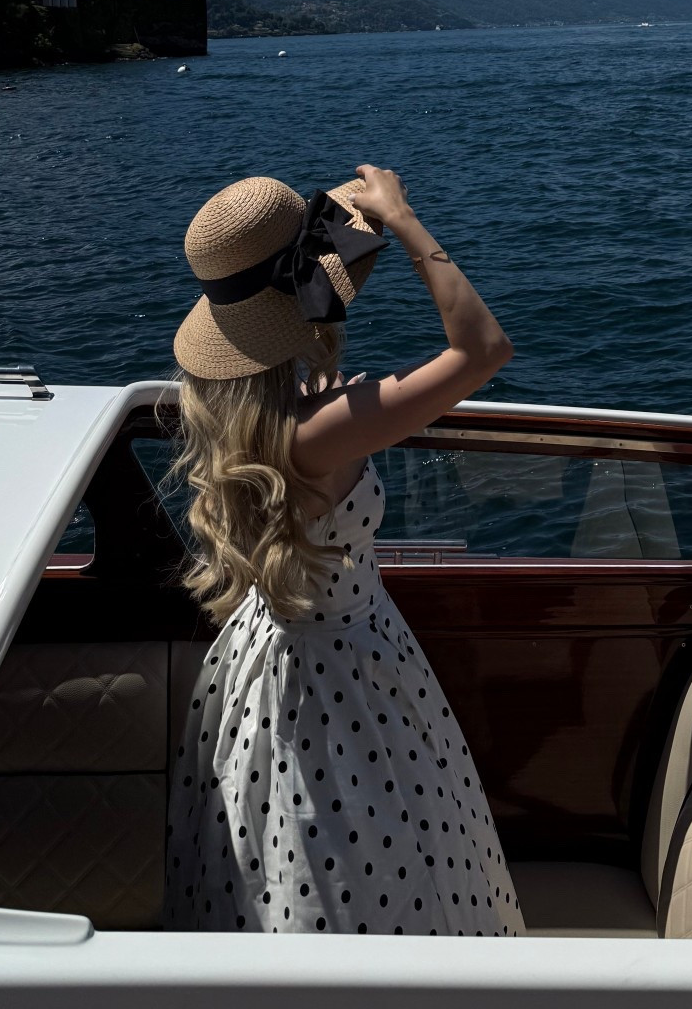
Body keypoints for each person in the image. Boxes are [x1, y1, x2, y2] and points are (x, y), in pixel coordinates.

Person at [163, 164, 522, 936]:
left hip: (268, 656)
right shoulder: (321, 430)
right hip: (346, 672)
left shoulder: (246, 419)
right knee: (380, 855)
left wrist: (334, 400)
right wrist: (407, 222)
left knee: (287, 853)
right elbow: (483, 348)